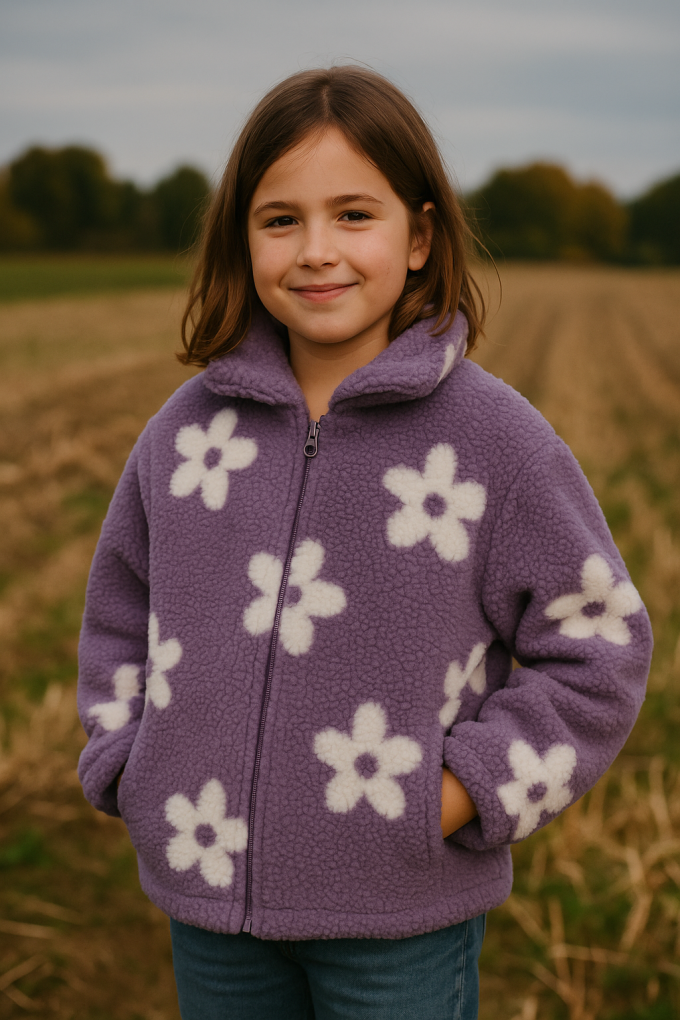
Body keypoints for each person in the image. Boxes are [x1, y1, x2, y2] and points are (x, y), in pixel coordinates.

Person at [76, 66, 652, 1019]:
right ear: (242, 238)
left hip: (398, 923)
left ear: (419, 238)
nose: (317, 251)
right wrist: (127, 761)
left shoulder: (496, 444)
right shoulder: (184, 436)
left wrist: (459, 794)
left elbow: (600, 648)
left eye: (353, 215)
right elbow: (118, 614)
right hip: (209, 907)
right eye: (280, 220)